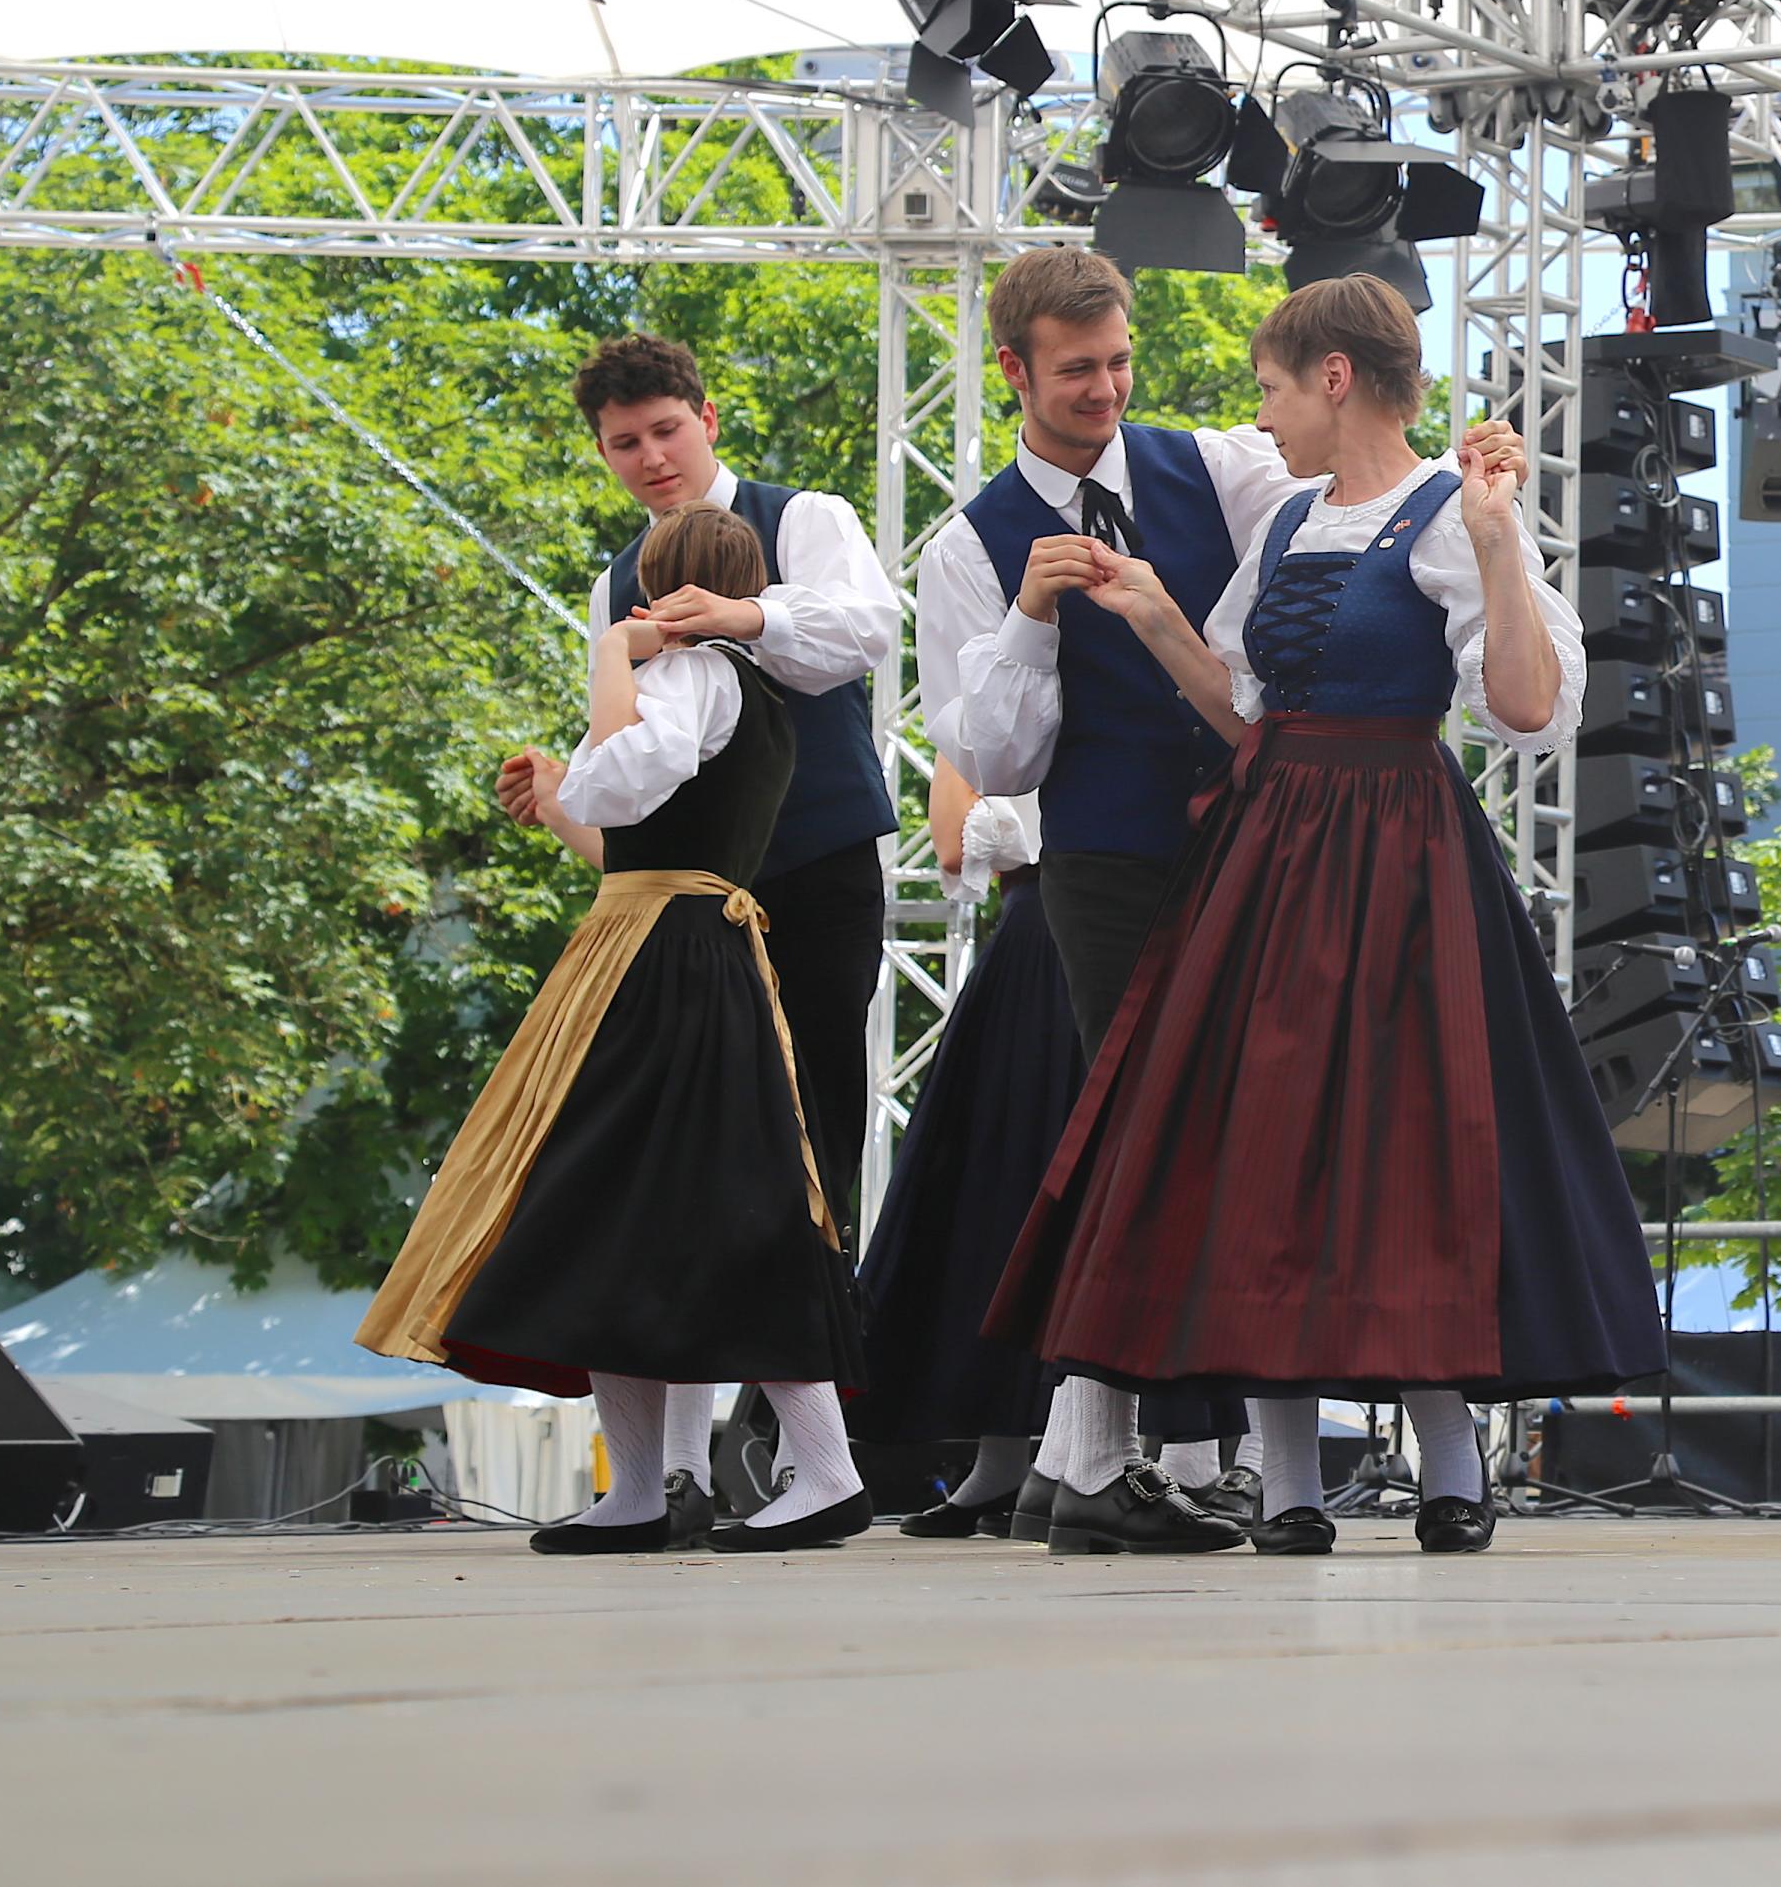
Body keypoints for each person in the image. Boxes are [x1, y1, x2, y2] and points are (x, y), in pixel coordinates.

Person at [987, 273, 1665, 1556]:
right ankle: (1289, 1481)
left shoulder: (1452, 515)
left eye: (1272, 389)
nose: (1264, 416)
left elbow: (1526, 708)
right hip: (1266, 850)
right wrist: (1153, 615)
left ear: (1334, 378)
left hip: (1399, 850)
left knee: (1409, 1143)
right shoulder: (1291, 517)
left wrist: (1497, 538)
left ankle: (1452, 1461)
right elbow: (1245, 708)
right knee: (1260, 1147)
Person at [364, 505, 870, 1553]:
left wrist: (611, 657)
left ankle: (817, 1474)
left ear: (657, 592)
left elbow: (620, 781)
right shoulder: (757, 693)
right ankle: (647, 1486)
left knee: (649, 1202)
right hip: (677, 946)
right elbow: (633, 838)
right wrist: (560, 802)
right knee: (624, 1214)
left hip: (663, 965)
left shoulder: (691, 677)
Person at [917, 245, 1303, 1553]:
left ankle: (1138, 1458)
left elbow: (1331, 538)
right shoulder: (969, 547)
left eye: (1119, 361)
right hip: (1104, 862)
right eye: (1077, 368)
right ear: (1014, 370)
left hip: (1252, 844)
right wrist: (1032, 620)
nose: (1106, 387)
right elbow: (993, 761)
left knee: (1230, 1141)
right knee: (1136, 1137)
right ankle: (1093, 1459)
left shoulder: (1219, 469)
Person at [499, 335, 896, 1503]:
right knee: (677, 1163)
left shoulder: (803, 517)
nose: (650, 457)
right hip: (683, 910)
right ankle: (676, 1469)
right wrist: (562, 794)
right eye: (623, 442)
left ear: (708, 418)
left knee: (805, 1145)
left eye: (665, 430)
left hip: (811, 873)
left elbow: (863, 632)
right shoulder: (616, 582)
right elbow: (627, 769)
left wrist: (741, 613)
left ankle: (800, 1447)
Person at [852, 764, 1247, 1548]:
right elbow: (960, 842)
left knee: (1090, 1185)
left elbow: (966, 835)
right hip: (1046, 930)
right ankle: (1023, 1462)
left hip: (1088, 919)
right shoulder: (1009, 713)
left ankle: (1139, 1457)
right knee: (1014, 1196)